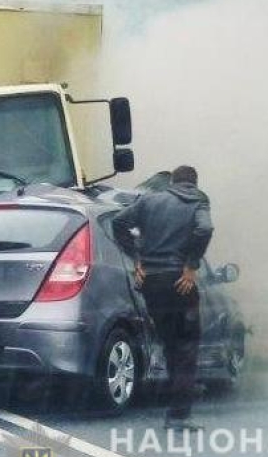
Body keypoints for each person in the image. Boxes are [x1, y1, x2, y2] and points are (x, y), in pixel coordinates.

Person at [112, 165, 214, 431]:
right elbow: (205, 229)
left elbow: (118, 222)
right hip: (180, 282)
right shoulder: (198, 199)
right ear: (193, 182)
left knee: (170, 342)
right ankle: (179, 416)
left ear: (172, 182)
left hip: (151, 282)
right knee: (186, 347)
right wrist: (191, 265)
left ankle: (176, 400)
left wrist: (136, 260)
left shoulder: (149, 201)